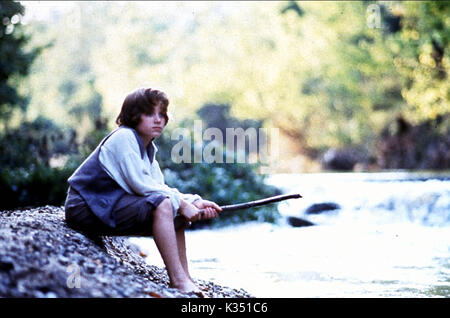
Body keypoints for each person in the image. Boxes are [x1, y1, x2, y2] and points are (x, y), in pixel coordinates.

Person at [64, 87, 222, 296]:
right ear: (133, 116)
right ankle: (178, 280)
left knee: (176, 213)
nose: (158, 120)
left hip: (107, 205)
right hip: (85, 208)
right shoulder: (124, 138)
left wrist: (195, 201)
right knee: (165, 204)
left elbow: (157, 185)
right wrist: (183, 205)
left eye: (161, 114)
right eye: (149, 114)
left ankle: (185, 278)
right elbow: (141, 186)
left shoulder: (146, 147)